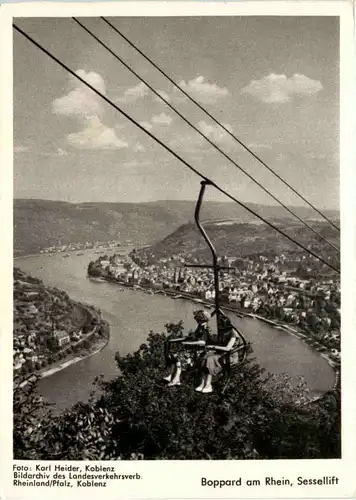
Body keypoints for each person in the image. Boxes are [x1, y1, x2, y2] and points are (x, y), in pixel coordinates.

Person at [163, 309, 212, 387]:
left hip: (200, 351)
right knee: (173, 353)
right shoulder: (200, 327)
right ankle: (172, 375)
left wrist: (188, 343)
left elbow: (203, 342)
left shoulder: (205, 328)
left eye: (198, 318)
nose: (196, 320)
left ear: (201, 319)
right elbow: (193, 337)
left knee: (178, 355)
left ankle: (176, 378)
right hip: (195, 349)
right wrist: (176, 340)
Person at [196, 314, 242, 394]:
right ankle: (202, 383)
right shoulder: (223, 332)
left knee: (210, 359)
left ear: (225, 325)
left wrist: (213, 347)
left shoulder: (233, 334)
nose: (219, 326)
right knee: (205, 357)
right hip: (222, 354)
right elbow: (218, 343)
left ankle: (208, 385)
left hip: (230, 356)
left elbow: (228, 348)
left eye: (220, 325)